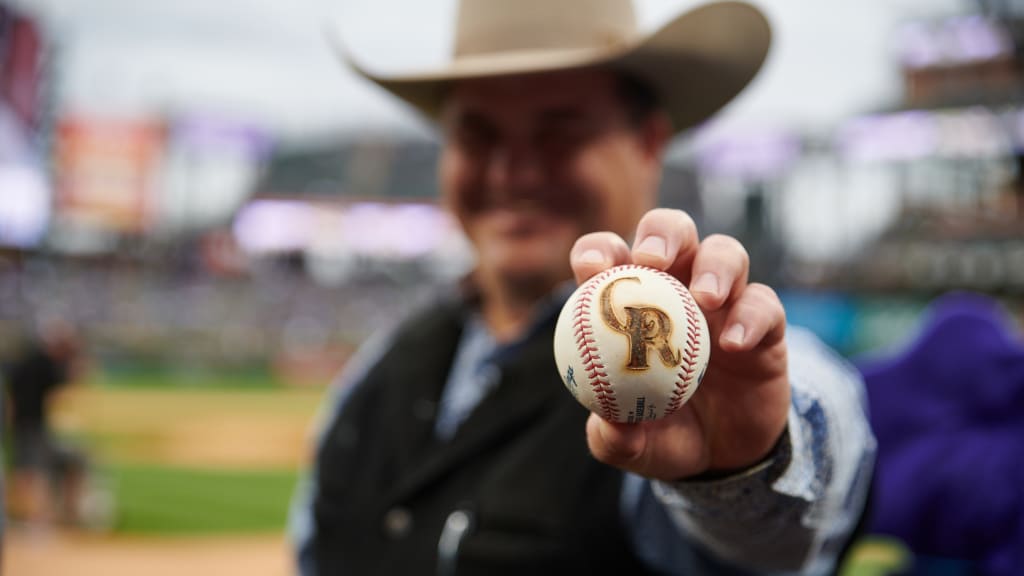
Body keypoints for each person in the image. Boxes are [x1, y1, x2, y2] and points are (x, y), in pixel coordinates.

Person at [291, 0, 876, 574]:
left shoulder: (710, 357)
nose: (512, 171)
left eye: (559, 134)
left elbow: (798, 509)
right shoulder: (376, 370)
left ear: (648, 144)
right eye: (478, 135)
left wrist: (751, 462)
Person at [3, 319, 88, 526]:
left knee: (30, 468)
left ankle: (30, 515)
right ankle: (31, 517)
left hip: (25, 425)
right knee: (30, 471)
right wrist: (78, 363)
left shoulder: (28, 360)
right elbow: (68, 380)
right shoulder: (42, 363)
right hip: (30, 426)